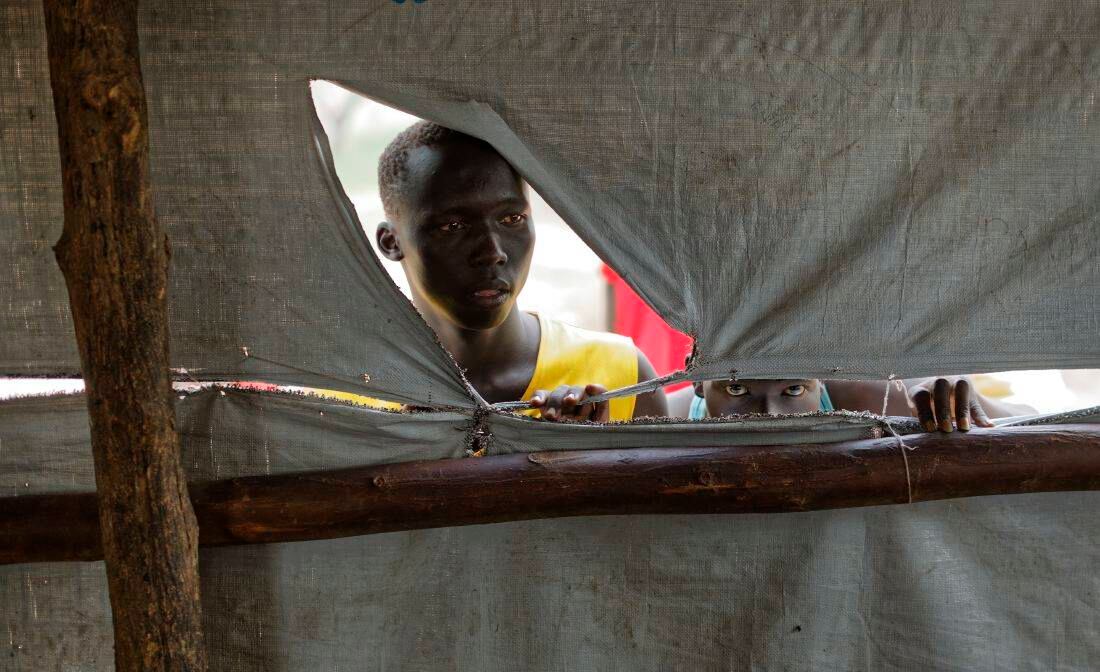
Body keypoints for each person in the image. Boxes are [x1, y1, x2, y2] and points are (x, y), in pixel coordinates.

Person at [364, 121, 667, 422]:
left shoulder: (621, 377)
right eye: (452, 227)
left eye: (511, 218)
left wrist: (588, 460)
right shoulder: (346, 397)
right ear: (391, 242)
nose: (492, 252)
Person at [669, 376, 1034, 431]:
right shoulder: (668, 418)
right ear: (699, 383)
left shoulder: (869, 398)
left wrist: (968, 400)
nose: (770, 417)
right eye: (737, 390)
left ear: (822, 379)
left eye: (794, 390)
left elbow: (1032, 416)